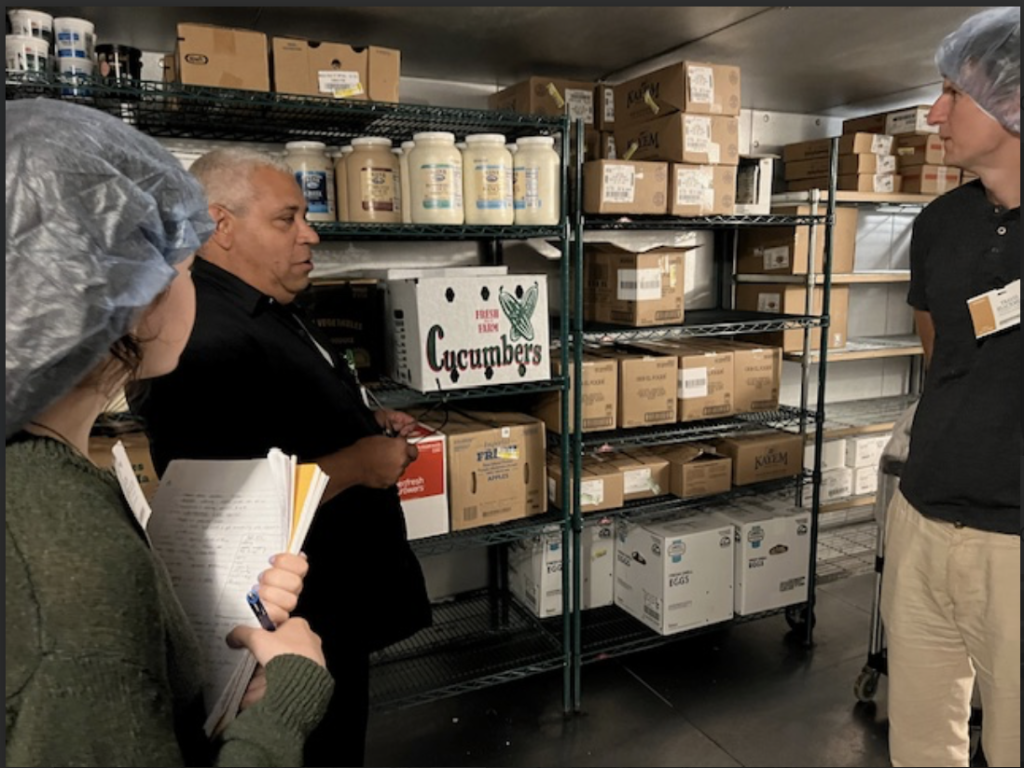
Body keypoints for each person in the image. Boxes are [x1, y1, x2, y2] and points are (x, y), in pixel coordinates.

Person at [5, 100, 335, 766]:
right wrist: (288, 696)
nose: (193, 284)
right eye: (183, 266)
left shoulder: (42, 475)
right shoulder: (74, 570)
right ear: (128, 299)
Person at [132, 147, 432, 766]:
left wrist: (361, 421)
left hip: (330, 606)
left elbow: (277, 425)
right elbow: (225, 495)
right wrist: (359, 462)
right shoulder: (207, 335)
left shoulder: (270, 307)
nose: (310, 233)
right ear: (222, 226)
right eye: (286, 219)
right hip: (289, 621)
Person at [881, 8, 1020, 768]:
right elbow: (940, 356)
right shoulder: (939, 222)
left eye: (951, 94)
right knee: (921, 743)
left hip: (1016, 545)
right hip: (924, 520)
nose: (934, 115)